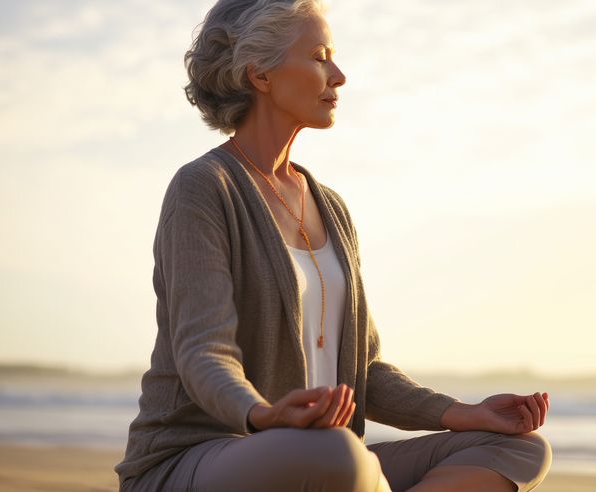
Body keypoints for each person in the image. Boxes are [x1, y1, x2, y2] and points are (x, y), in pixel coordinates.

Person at [112, 1, 552, 490]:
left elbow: (366, 372)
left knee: (518, 449)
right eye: (320, 56)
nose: (338, 75)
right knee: (337, 452)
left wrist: (462, 413)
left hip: (325, 457)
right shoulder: (204, 187)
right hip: (199, 457)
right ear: (260, 74)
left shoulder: (331, 208)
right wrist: (261, 415)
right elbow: (203, 352)